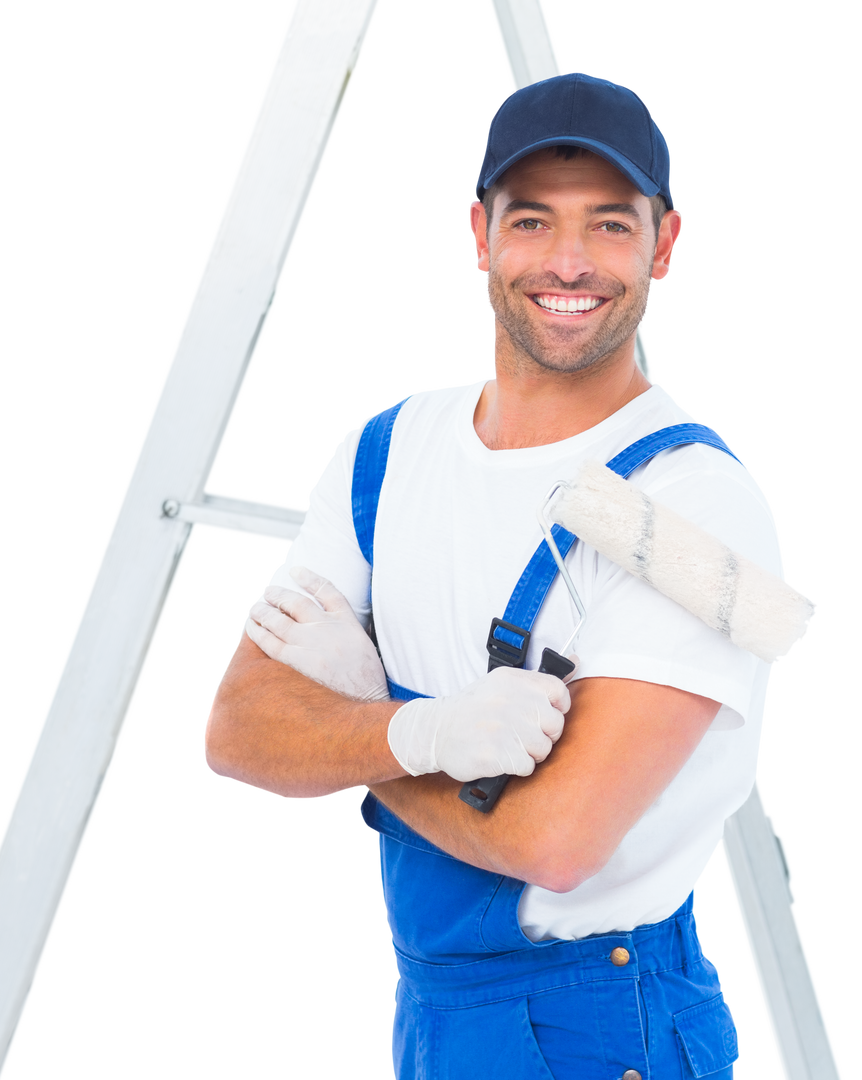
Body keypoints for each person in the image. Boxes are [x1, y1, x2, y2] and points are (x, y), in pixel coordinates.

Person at [203, 71, 777, 1078]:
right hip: (432, 1008)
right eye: (530, 220)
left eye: (607, 224)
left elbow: (557, 841)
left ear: (664, 244)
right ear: (477, 234)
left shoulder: (695, 507)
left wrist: (361, 722)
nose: (567, 261)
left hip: (603, 1022)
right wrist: (426, 734)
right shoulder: (387, 449)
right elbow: (238, 731)